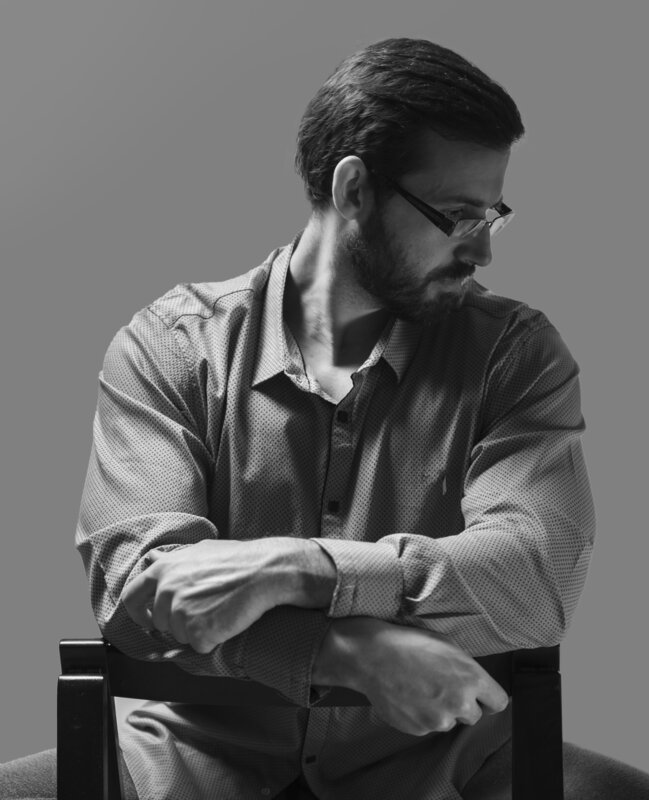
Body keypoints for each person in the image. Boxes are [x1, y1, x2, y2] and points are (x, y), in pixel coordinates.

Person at [2, 37, 649, 800]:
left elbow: (534, 577)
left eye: (490, 216)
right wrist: (342, 652)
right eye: (455, 216)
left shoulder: (514, 354)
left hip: (448, 770)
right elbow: (140, 592)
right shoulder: (172, 347)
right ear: (353, 189)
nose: (481, 251)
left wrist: (299, 569)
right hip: (181, 767)